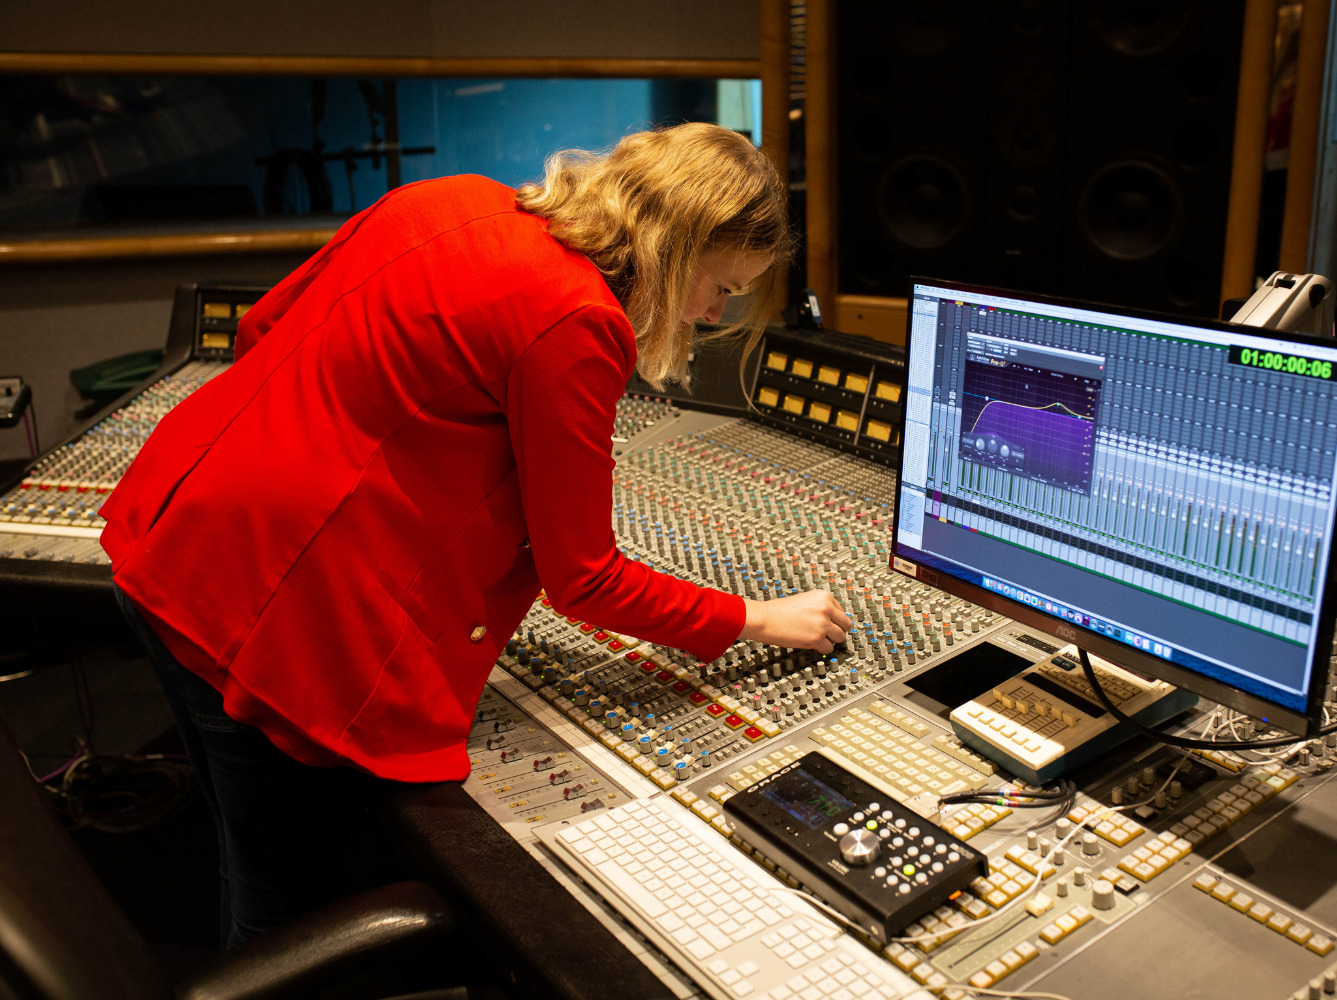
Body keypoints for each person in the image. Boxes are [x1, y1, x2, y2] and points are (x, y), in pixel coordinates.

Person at [102, 123, 853, 948]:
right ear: (677, 246)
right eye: (721, 286)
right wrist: (755, 619)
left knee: (239, 855)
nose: (714, 313)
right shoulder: (576, 316)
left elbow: (264, 333)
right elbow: (585, 579)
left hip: (176, 535)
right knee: (286, 920)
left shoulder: (452, 198)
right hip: (270, 622)